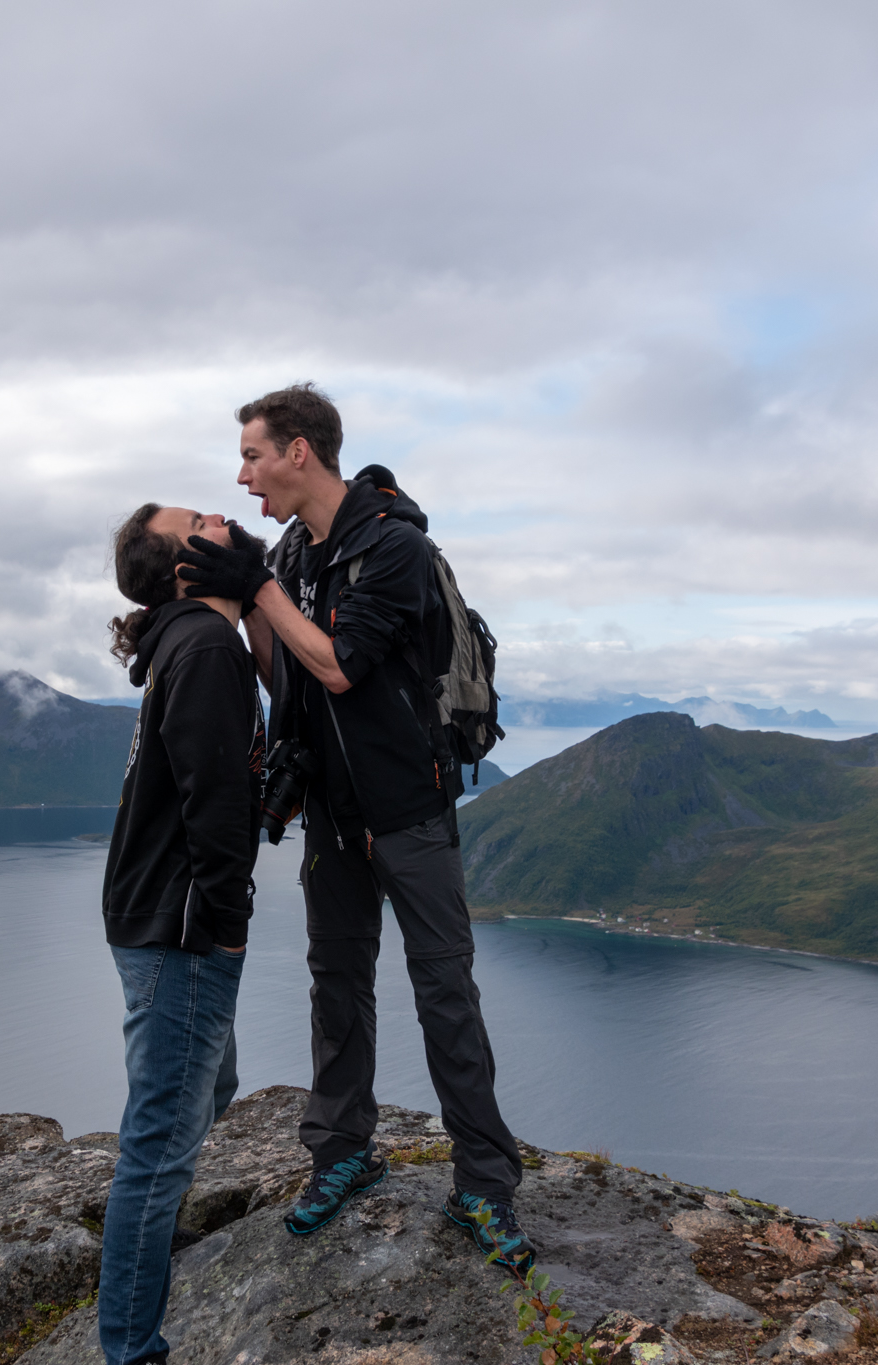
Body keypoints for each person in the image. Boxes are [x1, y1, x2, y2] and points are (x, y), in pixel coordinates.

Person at [175, 384, 536, 1276]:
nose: (244, 473)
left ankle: (484, 1188)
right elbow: (291, 673)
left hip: (409, 811)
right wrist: (255, 605)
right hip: (335, 815)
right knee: (336, 987)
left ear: (301, 451)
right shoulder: (297, 552)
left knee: (445, 995)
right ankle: (342, 1154)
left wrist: (257, 582)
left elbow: (339, 666)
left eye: (254, 454)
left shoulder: (392, 545)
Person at [98, 502, 265, 1365]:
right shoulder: (203, 646)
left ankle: (148, 1249)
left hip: (154, 914)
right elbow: (214, 801)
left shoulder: (189, 641)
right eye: (200, 519)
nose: (223, 511)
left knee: (209, 1087)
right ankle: (131, 1349)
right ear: (185, 568)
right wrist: (228, 930)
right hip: (182, 927)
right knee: (159, 1144)